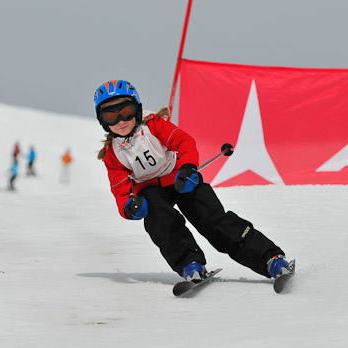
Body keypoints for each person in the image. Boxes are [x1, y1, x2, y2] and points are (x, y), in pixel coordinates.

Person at [93, 79, 293, 283]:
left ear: (137, 110)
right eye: (111, 116)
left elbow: (183, 141)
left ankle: (270, 259)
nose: (120, 121)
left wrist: (188, 167)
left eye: (126, 112)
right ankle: (190, 264)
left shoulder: (153, 126)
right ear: (103, 121)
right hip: (151, 189)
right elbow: (119, 187)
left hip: (180, 178)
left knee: (212, 220)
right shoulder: (112, 154)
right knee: (160, 221)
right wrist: (129, 207)